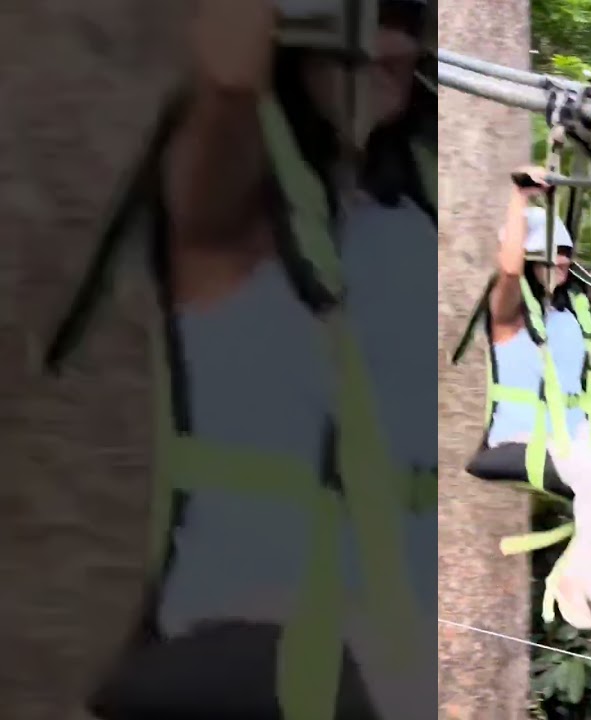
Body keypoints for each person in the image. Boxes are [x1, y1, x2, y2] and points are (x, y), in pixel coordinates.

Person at [84, 1, 437, 719]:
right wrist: (238, 61)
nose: (383, 48)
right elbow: (227, 94)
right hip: (255, 642)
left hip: (398, 655)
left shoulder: (419, 216)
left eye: (404, 21)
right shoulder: (229, 228)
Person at [487, 165, 591, 636]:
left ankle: (578, 576)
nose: (561, 263)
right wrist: (520, 199)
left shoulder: (575, 305)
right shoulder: (508, 314)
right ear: (529, 257)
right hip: (522, 437)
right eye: (550, 255)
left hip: (574, 435)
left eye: (565, 255)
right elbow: (508, 268)